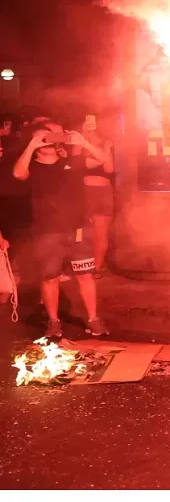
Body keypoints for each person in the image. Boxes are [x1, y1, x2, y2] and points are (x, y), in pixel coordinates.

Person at [12, 121, 112, 338]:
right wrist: (30, 147)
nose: (47, 141)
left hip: (78, 229)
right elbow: (18, 174)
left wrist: (84, 142)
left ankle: (94, 319)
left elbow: (104, 160)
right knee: (50, 278)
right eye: (41, 138)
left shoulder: (72, 162)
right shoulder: (32, 166)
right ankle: (54, 321)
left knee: (85, 275)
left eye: (49, 136)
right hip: (47, 232)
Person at [79, 116, 114, 279]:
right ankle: (81, 266)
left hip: (102, 192)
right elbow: (74, 163)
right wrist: (83, 135)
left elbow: (109, 169)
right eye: (88, 126)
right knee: (82, 233)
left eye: (93, 126)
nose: (91, 129)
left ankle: (96, 268)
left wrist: (106, 150)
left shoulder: (107, 143)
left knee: (100, 232)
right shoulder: (79, 143)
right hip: (82, 192)